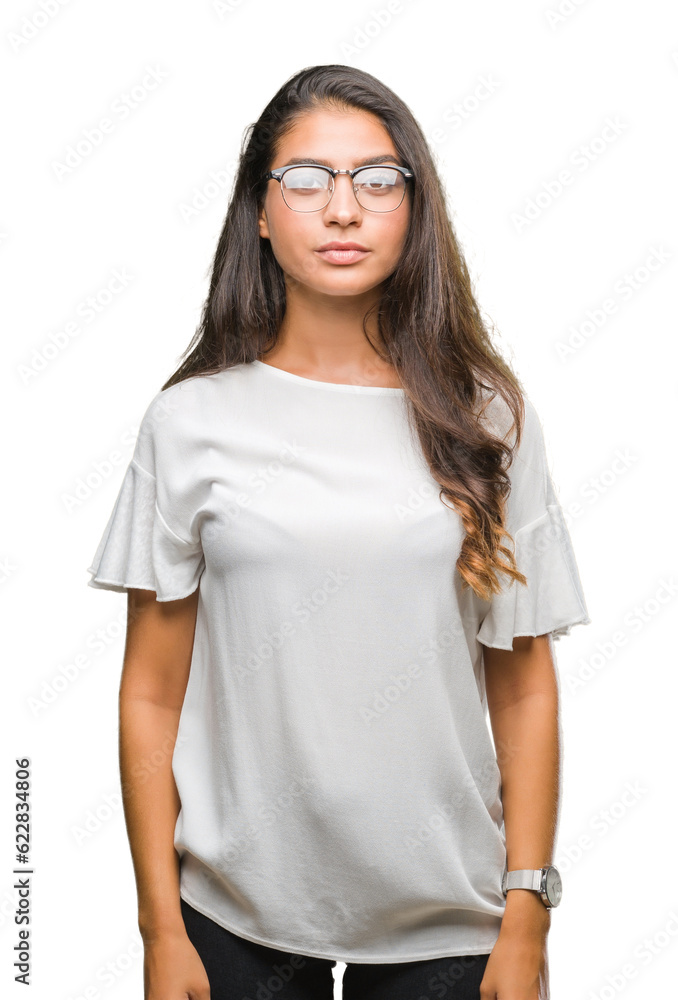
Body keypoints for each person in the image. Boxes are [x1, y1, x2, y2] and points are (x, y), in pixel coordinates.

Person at [86, 64, 591, 1000]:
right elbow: (149, 695)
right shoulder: (189, 424)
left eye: (377, 179)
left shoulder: (488, 419)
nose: (344, 208)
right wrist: (160, 928)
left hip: (452, 922)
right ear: (262, 216)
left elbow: (522, 686)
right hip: (231, 920)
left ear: (415, 207)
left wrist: (528, 916)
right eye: (308, 180)